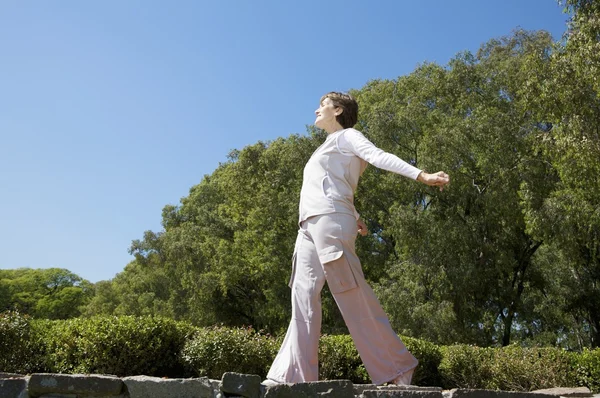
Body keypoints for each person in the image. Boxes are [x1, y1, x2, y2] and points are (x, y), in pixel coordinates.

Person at [263, 92, 450, 386]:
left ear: (337, 110)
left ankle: (397, 369)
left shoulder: (348, 136)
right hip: (309, 226)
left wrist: (421, 176)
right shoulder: (325, 146)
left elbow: (378, 156)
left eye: (322, 105)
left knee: (350, 292)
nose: (316, 109)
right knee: (302, 297)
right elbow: (336, 183)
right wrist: (356, 213)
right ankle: (293, 377)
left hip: (329, 220)